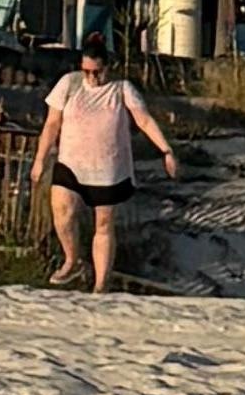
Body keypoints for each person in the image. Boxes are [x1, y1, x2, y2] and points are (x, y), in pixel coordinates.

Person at [31, 24, 179, 290]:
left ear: (107, 67)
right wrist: (40, 158)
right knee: (62, 212)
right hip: (71, 162)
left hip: (108, 167)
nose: (91, 77)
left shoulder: (122, 89)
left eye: (96, 72)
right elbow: (52, 124)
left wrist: (166, 150)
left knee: (103, 223)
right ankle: (71, 259)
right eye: (86, 71)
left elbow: (144, 121)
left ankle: (101, 285)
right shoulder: (70, 84)